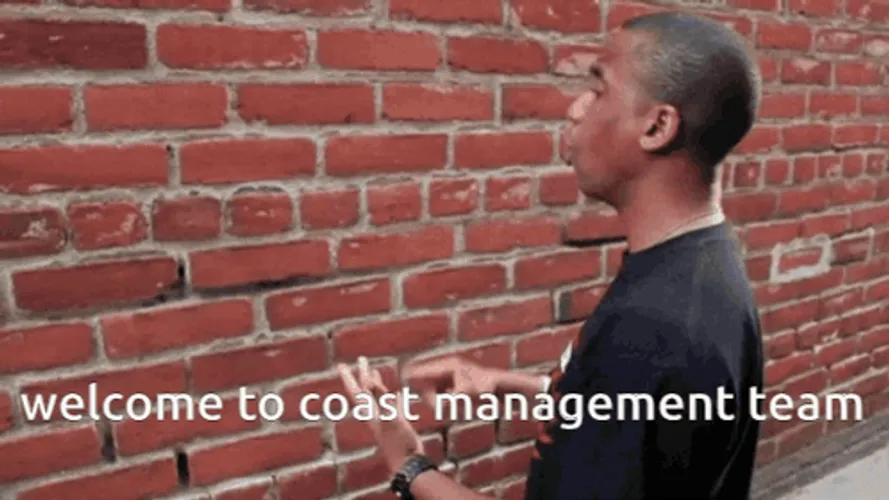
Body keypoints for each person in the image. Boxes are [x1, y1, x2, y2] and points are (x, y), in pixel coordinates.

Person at [337, 10, 765, 500]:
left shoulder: (654, 327)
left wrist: (410, 465)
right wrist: (506, 385)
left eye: (598, 89)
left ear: (657, 126)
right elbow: (635, 419)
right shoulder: (702, 264)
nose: (576, 109)